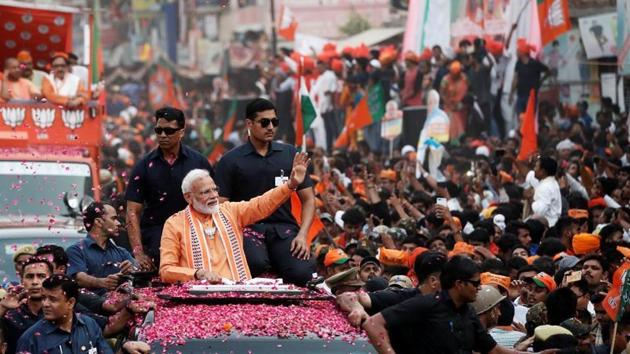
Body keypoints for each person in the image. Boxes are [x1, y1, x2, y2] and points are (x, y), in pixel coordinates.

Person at [160, 151, 309, 283]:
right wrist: (197, 274)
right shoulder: (174, 224)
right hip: (198, 298)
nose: (214, 196)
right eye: (205, 192)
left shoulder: (230, 211)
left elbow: (261, 204)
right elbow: (166, 270)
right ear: (188, 197)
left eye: (215, 189)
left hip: (237, 292)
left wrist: (290, 185)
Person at [214, 98, 316, 286]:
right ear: (249, 124)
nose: (271, 127)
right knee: (255, 264)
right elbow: (221, 206)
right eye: (264, 122)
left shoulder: (290, 155)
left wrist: (303, 236)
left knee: (302, 273)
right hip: (247, 229)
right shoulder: (230, 160)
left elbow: (309, 200)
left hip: (284, 230)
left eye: (274, 122)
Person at [362, 255, 546, 354]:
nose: (479, 288)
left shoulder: (468, 313)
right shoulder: (425, 305)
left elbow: (494, 350)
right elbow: (373, 324)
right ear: (459, 284)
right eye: (475, 284)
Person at [126, 106, 214, 269]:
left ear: (181, 132)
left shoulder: (198, 162)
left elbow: (214, 203)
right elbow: (132, 211)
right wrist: (138, 252)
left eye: (169, 131)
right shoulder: (143, 166)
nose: (163, 135)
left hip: (195, 230)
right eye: (158, 130)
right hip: (156, 233)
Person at [336, 251, 446, 328]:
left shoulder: (451, 304)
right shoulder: (401, 297)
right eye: (448, 277)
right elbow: (347, 296)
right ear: (433, 280)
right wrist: (357, 308)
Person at [15, 275, 113, 354]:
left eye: (53, 299)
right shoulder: (31, 339)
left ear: (70, 302)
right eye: (43, 298)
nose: (45, 304)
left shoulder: (90, 325)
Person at [66, 202, 137, 296]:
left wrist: (132, 268)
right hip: (88, 309)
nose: (119, 223)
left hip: (119, 308)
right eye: (113, 218)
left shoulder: (121, 252)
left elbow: (139, 269)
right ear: (98, 222)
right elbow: (79, 278)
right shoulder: (76, 251)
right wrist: (103, 282)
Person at [3, 257, 53, 354]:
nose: (35, 282)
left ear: (51, 279)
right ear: (22, 280)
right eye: (29, 276)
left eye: (41, 276)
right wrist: (2, 308)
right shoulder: (10, 314)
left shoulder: (63, 311)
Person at [509, 39, 549, 115]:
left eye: (518, 51)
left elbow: (548, 71)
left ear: (522, 52)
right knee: (520, 118)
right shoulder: (518, 63)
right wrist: (511, 93)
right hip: (520, 96)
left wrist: (541, 81)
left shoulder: (534, 64)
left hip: (531, 98)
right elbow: (515, 79)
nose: (516, 52)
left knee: (529, 118)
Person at [528, 157, 562, 227]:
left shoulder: (545, 187)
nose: (534, 169)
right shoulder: (551, 182)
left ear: (542, 171)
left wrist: (530, 198)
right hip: (553, 223)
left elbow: (539, 212)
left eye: (536, 167)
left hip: (547, 226)